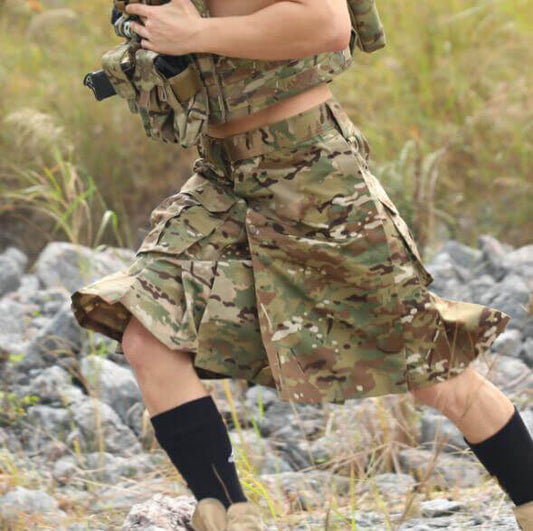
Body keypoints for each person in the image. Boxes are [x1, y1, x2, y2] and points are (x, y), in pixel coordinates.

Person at [71, 1, 533, 529]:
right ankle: (228, 515)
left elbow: (328, 24)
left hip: (313, 171)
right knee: (146, 335)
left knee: (430, 374)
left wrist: (195, 33)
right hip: (222, 175)